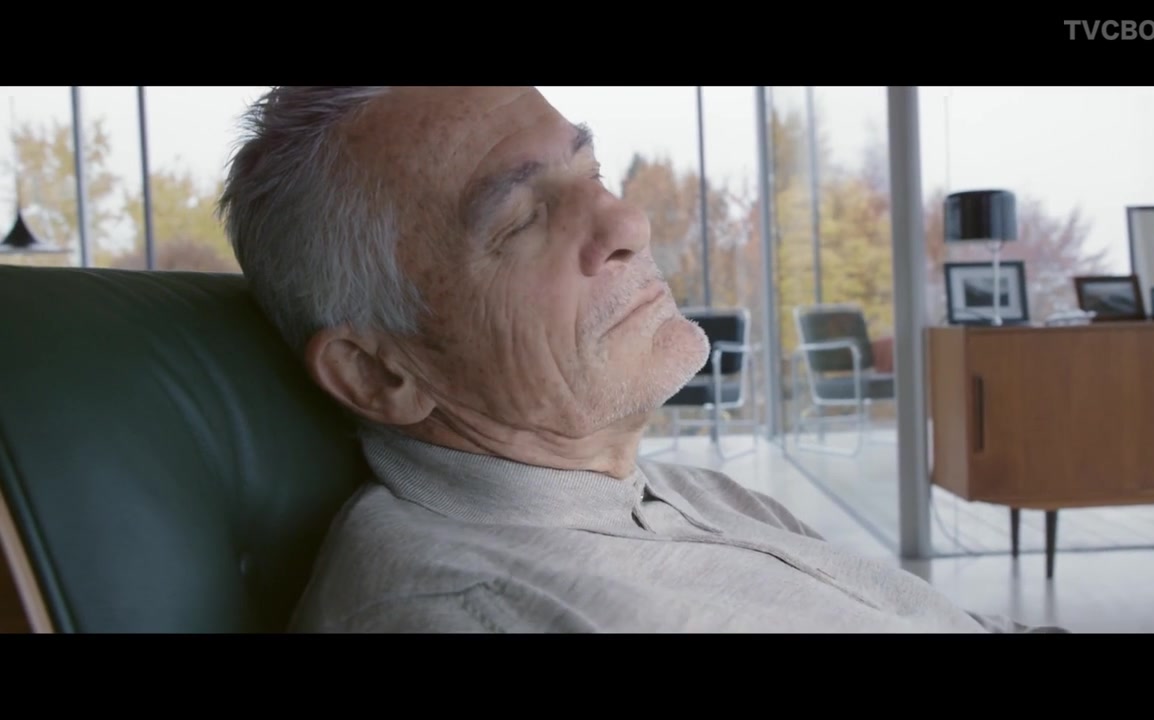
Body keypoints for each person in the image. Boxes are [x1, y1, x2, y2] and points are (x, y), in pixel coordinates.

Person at [217, 86, 1064, 633]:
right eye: (520, 220)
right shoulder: (478, 611)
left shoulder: (689, 492)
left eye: (592, 172)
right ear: (379, 374)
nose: (629, 222)